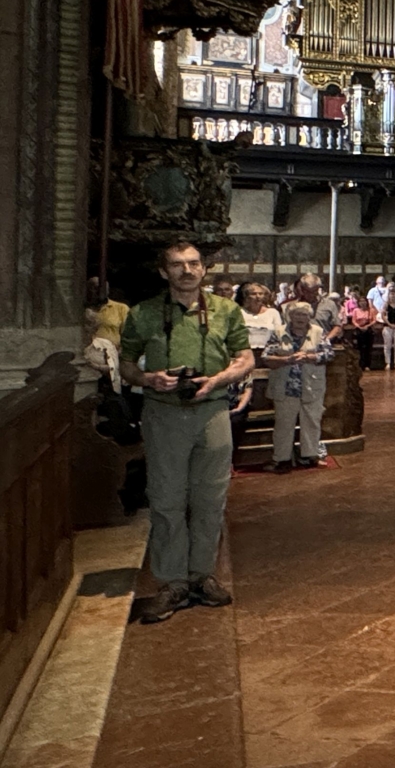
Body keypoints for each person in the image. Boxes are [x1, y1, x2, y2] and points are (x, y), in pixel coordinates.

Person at [119, 242, 255, 624]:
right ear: (164, 272)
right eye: (177, 265)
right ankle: (172, 582)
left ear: (204, 269)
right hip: (163, 414)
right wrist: (149, 378)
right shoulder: (143, 313)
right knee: (166, 499)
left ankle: (202, 575)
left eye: (194, 263)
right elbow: (126, 364)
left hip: (212, 412)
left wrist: (218, 380)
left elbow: (246, 357)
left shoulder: (226, 310)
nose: (187, 271)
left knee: (211, 497)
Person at [262, 299, 333, 473]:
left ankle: (309, 456)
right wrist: (286, 360)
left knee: (312, 423)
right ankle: (281, 459)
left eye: (304, 314)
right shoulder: (278, 332)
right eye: (297, 314)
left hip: (311, 386)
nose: (301, 318)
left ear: (309, 317)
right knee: (283, 425)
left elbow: (329, 354)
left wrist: (310, 357)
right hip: (285, 388)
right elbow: (266, 357)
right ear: (290, 316)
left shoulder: (318, 332)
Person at [238, 282, 283, 353]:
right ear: (246, 296)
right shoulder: (239, 312)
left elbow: (279, 333)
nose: (258, 296)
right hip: (245, 351)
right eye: (253, 294)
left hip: (268, 352)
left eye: (260, 294)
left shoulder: (273, 312)